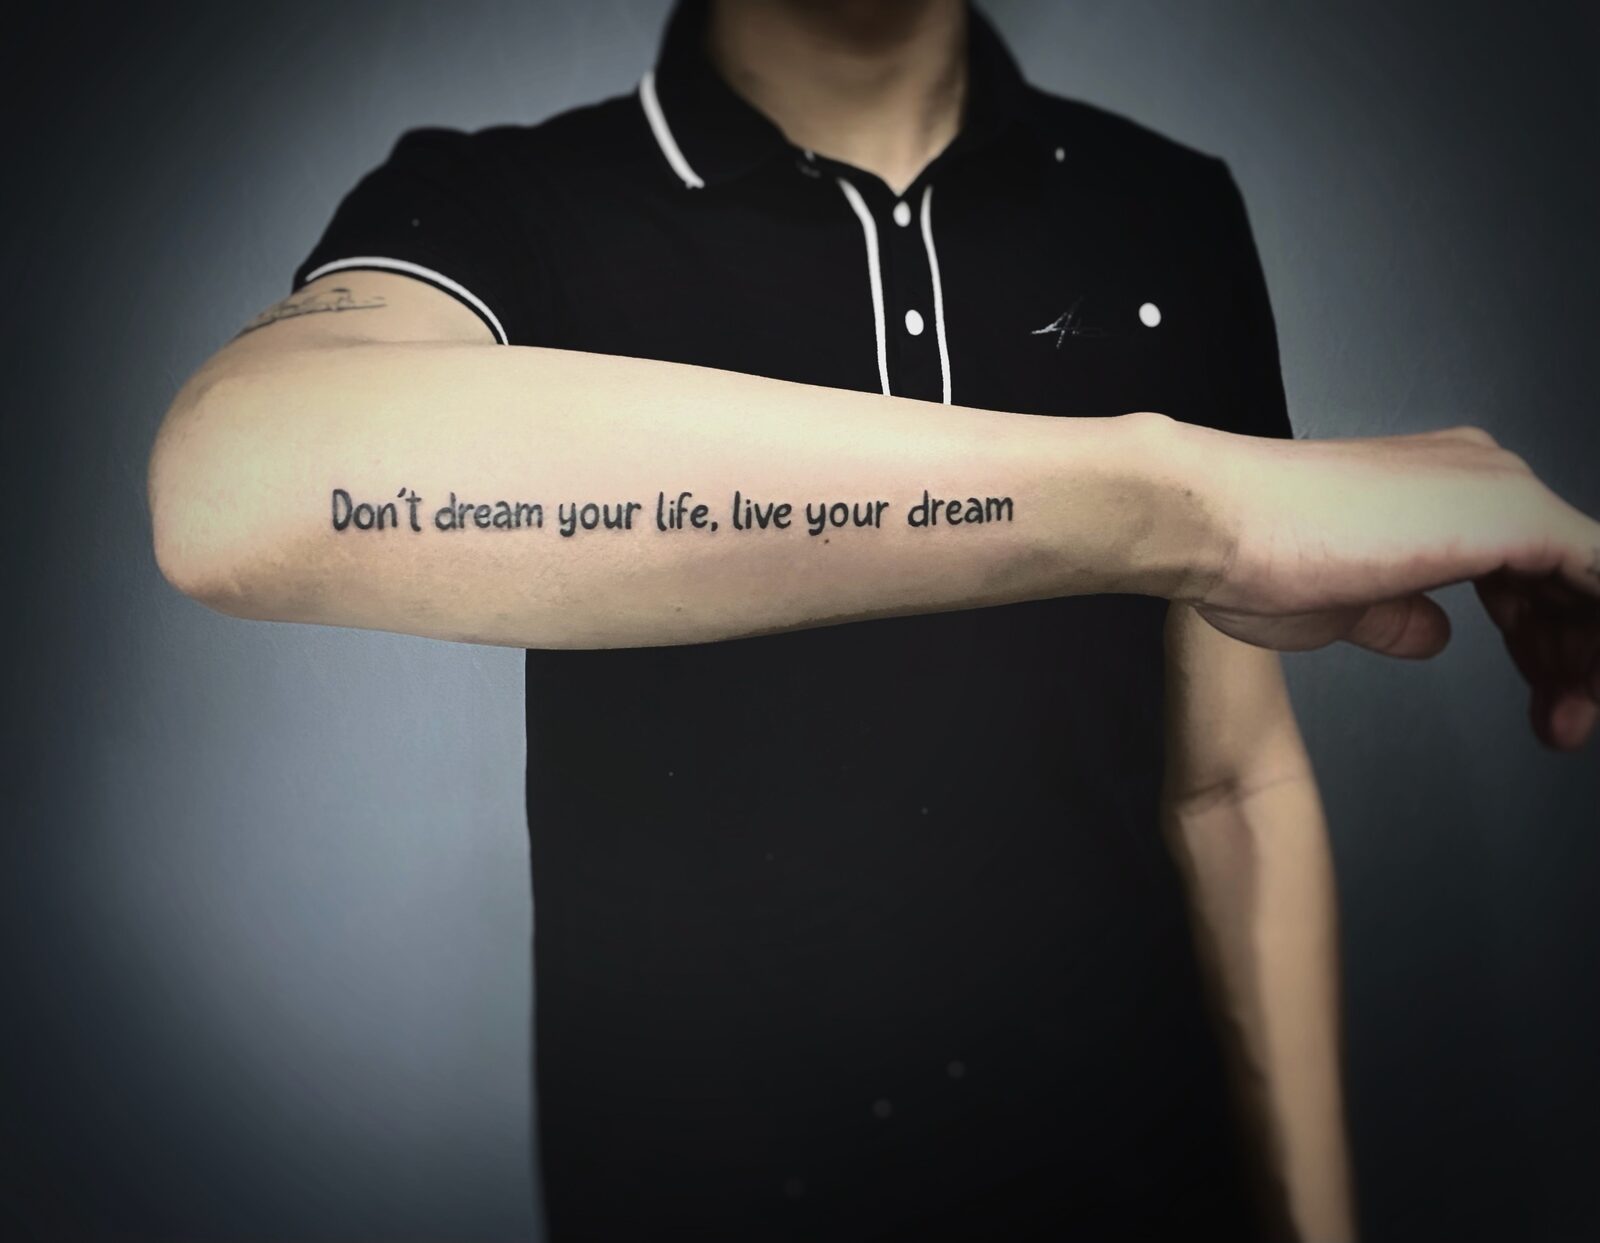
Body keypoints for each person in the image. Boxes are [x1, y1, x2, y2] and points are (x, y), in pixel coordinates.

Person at [146, 0, 1600, 1238]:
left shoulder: (1164, 205)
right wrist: (1188, 498)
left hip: (1142, 1182)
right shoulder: (508, 199)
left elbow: (1229, 783)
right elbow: (236, 486)